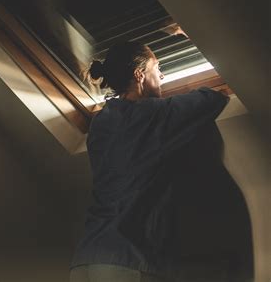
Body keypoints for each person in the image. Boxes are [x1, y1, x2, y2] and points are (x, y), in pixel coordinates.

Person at [70, 41, 229, 282]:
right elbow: (214, 98)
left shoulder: (101, 122)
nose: (163, 75)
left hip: (86, 260)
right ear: (139, 74)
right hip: (128, 261)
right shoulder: (154, 114)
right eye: (158, 68)